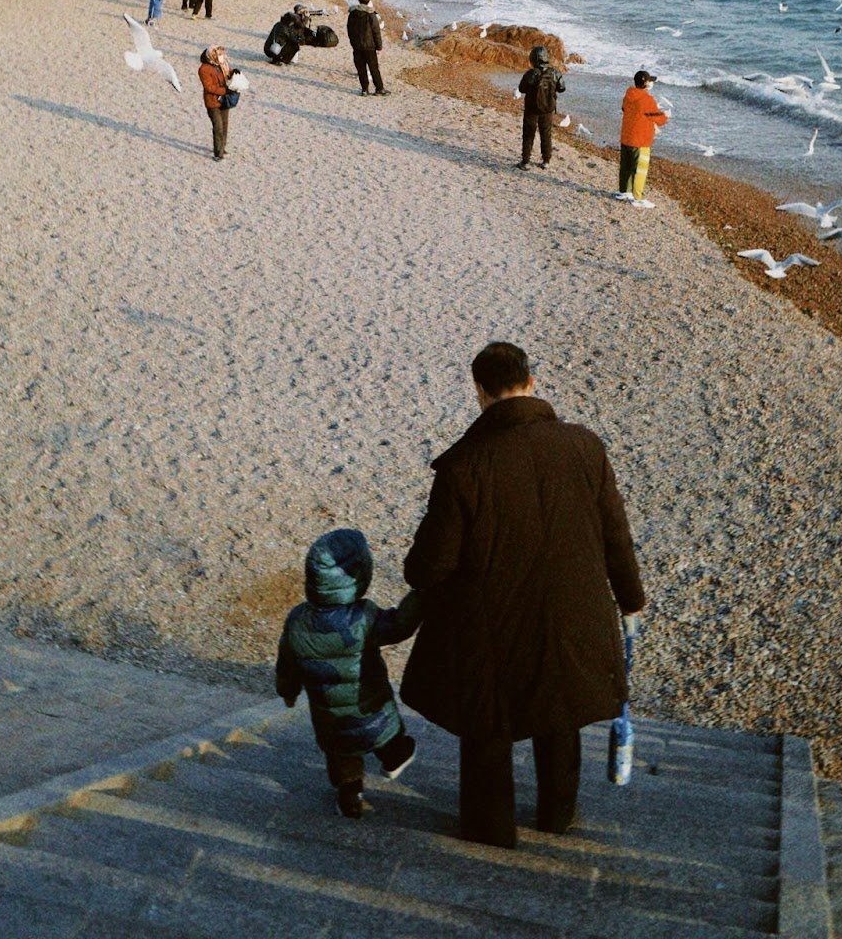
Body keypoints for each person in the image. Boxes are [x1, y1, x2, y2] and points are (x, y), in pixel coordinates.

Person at [401, 341, 645, 850]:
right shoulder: (584, 446)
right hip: (570, 612)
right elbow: (614, 534)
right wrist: (631, 600)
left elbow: (430, 566)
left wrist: (418, 573)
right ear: (532, 383)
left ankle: (490, 831)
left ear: (481, 393)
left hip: (492, 624)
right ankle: (558, 816)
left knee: (489, 722)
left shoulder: (464, 465)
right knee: (558, 708)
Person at [276, 528, 421, 820]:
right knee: (385, 735)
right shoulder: (364, 617)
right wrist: (419, 597)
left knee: (342, 757)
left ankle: (350, 798)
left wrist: (288, 692)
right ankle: (395, 756)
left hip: (329, 718)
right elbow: (399, 626)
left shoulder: (297, 621)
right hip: (370, 706)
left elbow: (287, 664)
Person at [617, 69, 668, 207]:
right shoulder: (647, 99)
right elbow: (660, 120)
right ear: (646, 83)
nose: (652, 83)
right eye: (650, 81)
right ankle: (638, 198)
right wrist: (666, 115)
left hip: (626, 136)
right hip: (640, 139)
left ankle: (623, 191)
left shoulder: (628, 95)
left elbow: (624, 109)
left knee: (626, 167)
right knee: (640, 169)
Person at [517, 45, 565, 170]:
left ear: (533, 59)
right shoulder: (555, 73)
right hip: (547, 109)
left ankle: (525, 162)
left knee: (528, 134)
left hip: (531, 109)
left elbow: (521, 89)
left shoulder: (530, 74)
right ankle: (546, 161)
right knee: (546, 134)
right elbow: (562, 88)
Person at [197, 44, 236, 159]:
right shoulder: (204, 69)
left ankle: (222, 147)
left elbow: (227, 74)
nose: (219, 56)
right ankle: (218, 153)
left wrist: (234, 73)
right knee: (218, 126)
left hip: (224, 101)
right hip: (213, 102)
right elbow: (209, 87)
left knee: (224, 125)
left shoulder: (221, 65)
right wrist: (225, 91)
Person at [346, 0, 387, 95]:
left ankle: (365, 90)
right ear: (368, 2)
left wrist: (353, 42)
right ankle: (379, 89)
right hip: (369, 46)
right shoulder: (371, 14)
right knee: (374, 68)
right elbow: (376, 31)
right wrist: (379, 46)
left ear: (359, 1)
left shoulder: (352, 14)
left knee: (361, 69)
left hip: (357, 46)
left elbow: (349, 30)